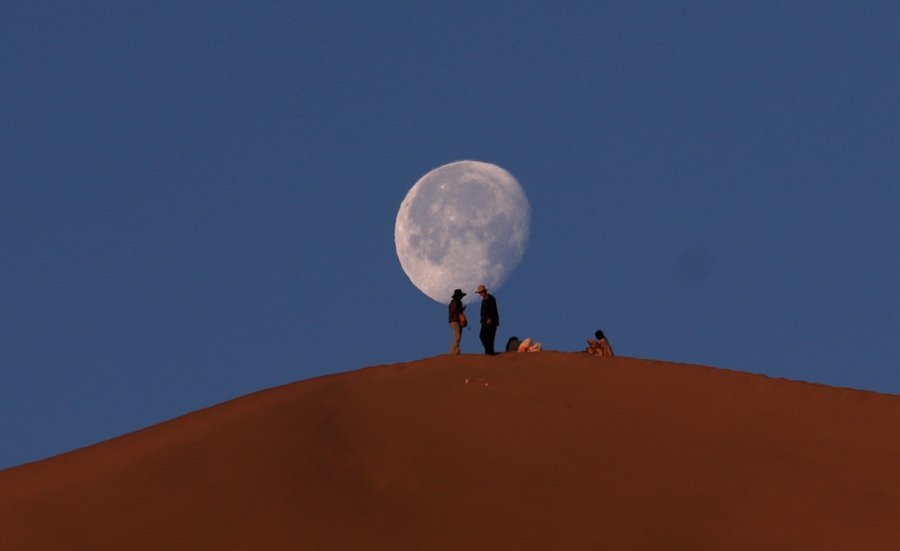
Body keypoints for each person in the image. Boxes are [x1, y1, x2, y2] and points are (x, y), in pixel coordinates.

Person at [476, 284, 499, 355]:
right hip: (484, 322)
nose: (480, 294)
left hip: (491, 322)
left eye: (481, 292)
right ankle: (489, 351)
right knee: (483, 336)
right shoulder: (484, 299)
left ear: (485, 291)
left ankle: (489, 352)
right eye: (479, 292)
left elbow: (493, 310)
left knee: (489, 337)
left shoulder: (491, 298)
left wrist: (490, 318)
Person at [448, 289, 466, 354]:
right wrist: (461, 309)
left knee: (458, 336)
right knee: (457, 335)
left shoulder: (457, 302)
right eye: (461, 295)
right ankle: (453, 352)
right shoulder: (454, 301)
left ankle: (456, 351)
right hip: (454, 320)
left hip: (456, 320)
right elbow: (454, 311)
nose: (462, 297)